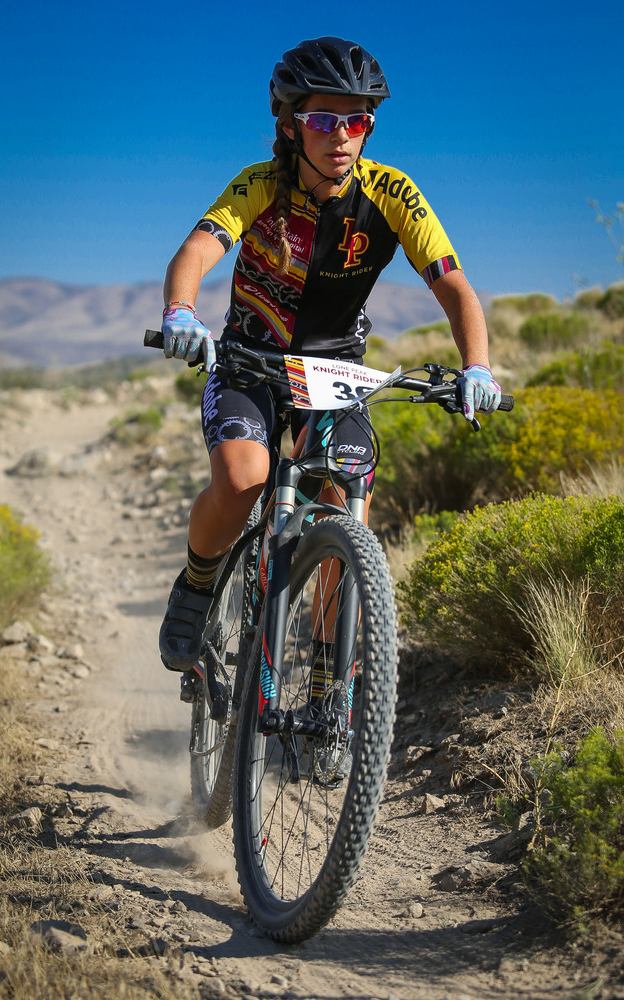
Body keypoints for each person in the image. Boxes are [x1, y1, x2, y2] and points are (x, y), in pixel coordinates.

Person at [158, 35, 501, 671]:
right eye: (322, 120)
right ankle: (198, 584)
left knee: (346, 505)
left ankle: (327, 675)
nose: (341, 136)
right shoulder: (260, 183)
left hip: (334, 370)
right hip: (251, 360)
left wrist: (477, 365)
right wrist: (181, 309)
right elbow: (198, 249)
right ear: (291, 125)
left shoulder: (392, 193)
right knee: (242, 481)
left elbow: (454, 286)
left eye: (357, 121)